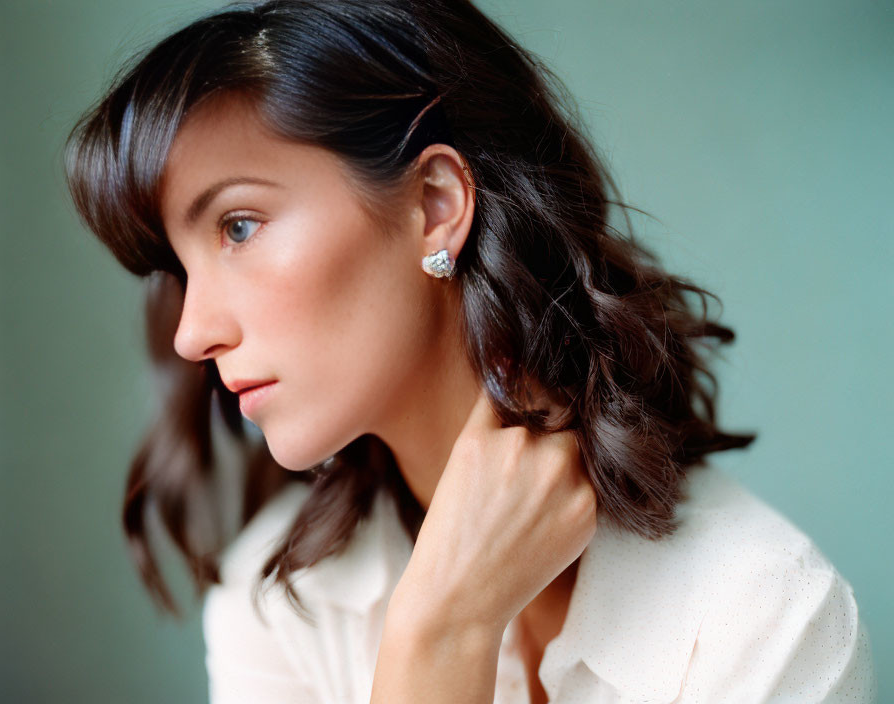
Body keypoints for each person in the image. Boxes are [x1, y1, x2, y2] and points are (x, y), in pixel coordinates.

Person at [64, 0, 877, 702]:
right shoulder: (278, 601)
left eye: (239, 227)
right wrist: (441, 633)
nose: (190, 331)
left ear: (434, 203)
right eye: (179, 265)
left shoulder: (763, 623)